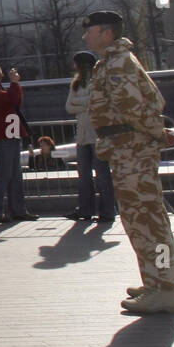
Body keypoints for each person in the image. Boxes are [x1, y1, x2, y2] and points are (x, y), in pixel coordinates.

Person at [82, 10, 174, 314]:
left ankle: (165, 287)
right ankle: (156, 281)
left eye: (90, 31)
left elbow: (134, 109)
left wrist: (157, 133)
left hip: (133, 151)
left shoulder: (117, 63)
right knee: (140, 221)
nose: (86, 36)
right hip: (127, 150)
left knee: (150, 223)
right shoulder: (111, 62)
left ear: (106, 33)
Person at [0, 62, 36, 222]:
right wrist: (14, 82)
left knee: (15, 174)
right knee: (3, 174)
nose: (1, 73)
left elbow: (12, 100)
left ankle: (18, 209)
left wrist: (13, 84)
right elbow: (13, 99)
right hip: (2, 135)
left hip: (10, 133)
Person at [64, 51, 116, 224]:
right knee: (84, 174)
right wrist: (87, 103)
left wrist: (81, 103)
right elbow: (68, 107)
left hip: (97, 133)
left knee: (102, 174)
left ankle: (108, 211)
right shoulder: (76, 84)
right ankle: (85, 209)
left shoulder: (99, 81)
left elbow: (99, 101)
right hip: (82, 135)